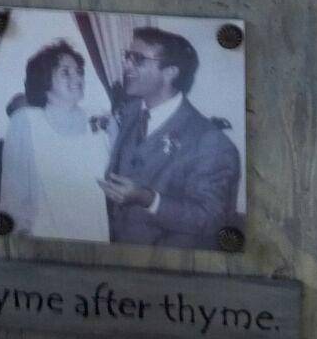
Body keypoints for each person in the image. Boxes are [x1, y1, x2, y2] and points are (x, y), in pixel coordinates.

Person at [98, 27, 241, 250]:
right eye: (127, 56)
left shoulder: (210, 141)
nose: (126, 65)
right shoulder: (129, 113)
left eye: (137, 59)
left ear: (170, 72)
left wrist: (149, 199)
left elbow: (211, 219)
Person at [0, 41, 113, 242]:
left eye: (79, 71)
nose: (77, 78)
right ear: (44, 80)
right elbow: (13, 195)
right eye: (65, 72)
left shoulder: (98, 120)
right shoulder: (26, 121)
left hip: (96, 239)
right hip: (45, 240)